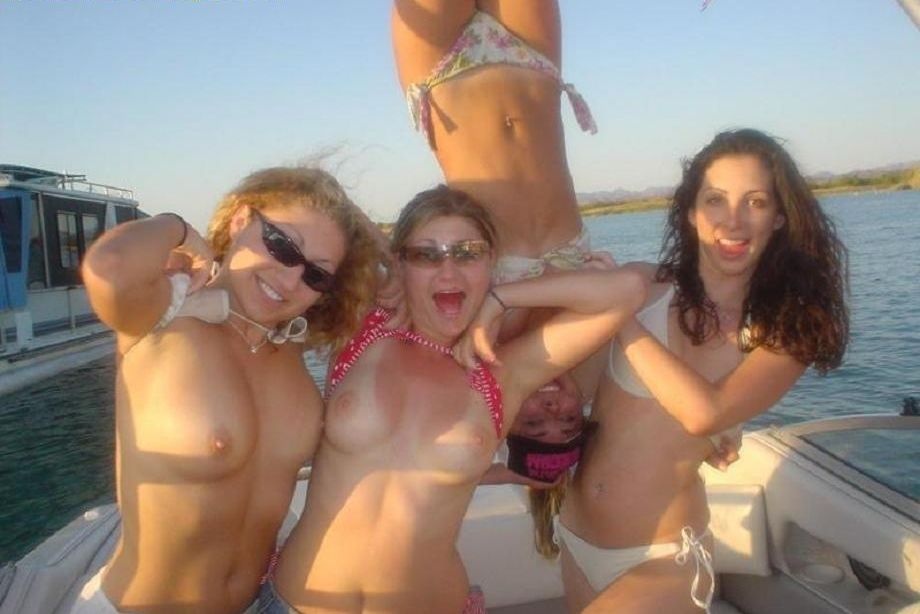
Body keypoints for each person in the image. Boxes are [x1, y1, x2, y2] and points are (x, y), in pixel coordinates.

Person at [263, 185, 646, 613]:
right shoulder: (364, 327)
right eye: (426, 255)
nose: (448, 271)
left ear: (491, 262)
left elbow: (628, 289)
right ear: (401, 265)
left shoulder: (504, 373)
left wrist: (501, 299)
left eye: (468, 253)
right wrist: (388, 262)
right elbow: (322, 196)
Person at [557, 129, 850, 613]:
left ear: (779, 218)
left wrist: (619, 315)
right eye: (715, 199)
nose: (733, 220)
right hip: (574, 534)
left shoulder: (785, 332)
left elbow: (704, 413)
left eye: (755, 202)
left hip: (663, 558)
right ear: (691, 213)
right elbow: (577, 388)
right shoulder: (647, 285)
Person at [74, 166, 379, 613]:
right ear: (239, 220)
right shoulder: (165, 314)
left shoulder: (291, 346)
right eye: (282, 246)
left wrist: (351, 221)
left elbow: (404, 280)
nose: (290, 280)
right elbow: (110, 268)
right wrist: (178, 228)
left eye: (316, 275)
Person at [392, 0, 596, 290]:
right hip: (571, 251)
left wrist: (500, 303)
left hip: (492, 259)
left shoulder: (479, 291)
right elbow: (631, 285)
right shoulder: (592, 283)